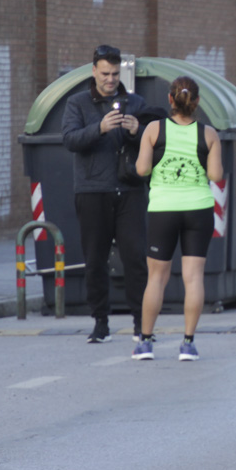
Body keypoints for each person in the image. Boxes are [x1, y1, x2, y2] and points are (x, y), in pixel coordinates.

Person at [130, 76, 223, 362]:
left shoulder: (154, 130)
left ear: (170, 100)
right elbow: (216, 176)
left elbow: (142, 169)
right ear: (196, 103)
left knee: (156, 277)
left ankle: (145, 342)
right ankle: (188, 343)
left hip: (163, 209)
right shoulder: (208, 134)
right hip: (198, 209)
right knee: (193, 277)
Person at [61, 45, 148, 343]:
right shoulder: (77, 103)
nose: (110, 80)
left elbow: (155, 140)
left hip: (130, 190)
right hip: (92, 190)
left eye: (115, 74)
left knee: (135, 258)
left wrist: (139, 130)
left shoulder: (134, 102)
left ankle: (141, 324)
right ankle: (100, 322)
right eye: (105, 74)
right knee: (95, 259)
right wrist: (99, 128)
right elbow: (70, 139)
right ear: (94, 71)